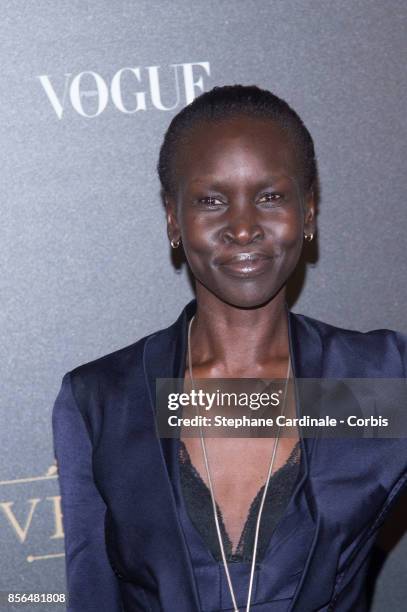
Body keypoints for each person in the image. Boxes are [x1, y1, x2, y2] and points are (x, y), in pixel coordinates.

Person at [52, 85, 407, 612]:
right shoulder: (104, 399)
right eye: (211, 200)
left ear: (308, 213)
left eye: (270, 197)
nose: (243, 227)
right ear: (174, 220)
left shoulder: (378, 382)